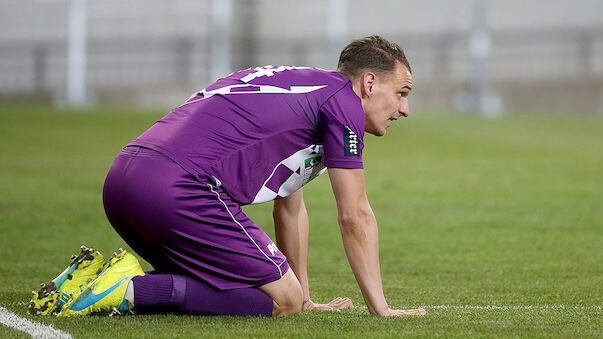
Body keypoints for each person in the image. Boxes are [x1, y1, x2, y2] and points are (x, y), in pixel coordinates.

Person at [28, 35, 425, 317]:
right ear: (369, 84)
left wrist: (304, 295)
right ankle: (124, 290)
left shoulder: (301, 85)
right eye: (402, 92)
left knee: (259, 291)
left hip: (122, 179)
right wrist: (381, 308)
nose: (404, 109)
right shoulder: (343, 105)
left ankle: (84, 282)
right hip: (178, 188)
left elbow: (289, 207)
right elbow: (354, 215)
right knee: (279, 302)